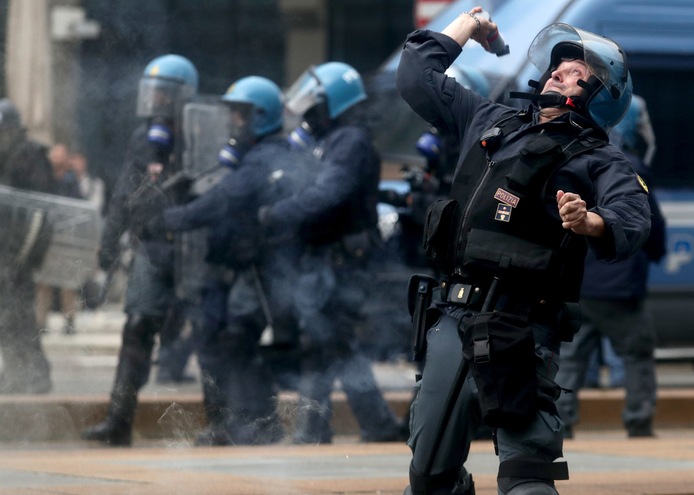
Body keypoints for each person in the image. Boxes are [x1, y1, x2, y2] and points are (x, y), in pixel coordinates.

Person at [396, 9, 651, 494]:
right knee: (428, 477)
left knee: (526, 476)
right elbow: (417, 74)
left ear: (597, 97)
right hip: (450, 318)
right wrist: (469, 26)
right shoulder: (491, 119)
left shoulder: (599, 156)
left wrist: (589, 221)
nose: (559, 71)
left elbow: (634, 219)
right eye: (559, 65)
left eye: (578, 72)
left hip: (522, 326)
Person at [156, 75, 304, 445]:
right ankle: (227, 425)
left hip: (258, 275)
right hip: (230, 273)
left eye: (240, 115)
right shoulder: (254, 157)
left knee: (237, 346)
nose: (233, 123)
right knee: (214, 345)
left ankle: (258, 425)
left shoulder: (265, 159)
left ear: (262, 117)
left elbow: (221, 201)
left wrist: (165, 219)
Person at [266, 61, 406, 444]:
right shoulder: (330, 139)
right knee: (329, 341)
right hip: (324, 257)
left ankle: (330, 427)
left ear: (335, 104)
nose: (309, 113)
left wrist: (276, 213)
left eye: (316, 105)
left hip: (341, 259)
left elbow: (328, 193)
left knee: (330, 339)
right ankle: (341, 426)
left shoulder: (350, 141)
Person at [82, 54, 198, 445]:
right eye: (154, 92)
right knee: (136, 329)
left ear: (183, 95)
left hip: (193, 248)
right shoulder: (142, 137)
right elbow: (122, 193)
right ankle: (118, 421)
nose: (158, 101)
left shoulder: (202, 134)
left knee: (211, 334)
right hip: (152, 248)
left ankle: (224, 426)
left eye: (165, 93)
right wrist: (109, 239)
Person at [555, 94, 667, 439]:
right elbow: (652, 228)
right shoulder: (630, 167)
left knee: (572, 356)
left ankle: (560, 422)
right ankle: (638, 420)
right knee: (637, 352)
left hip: (579, 282)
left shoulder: (573, 157)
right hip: (620, 287)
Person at [0, 98, 57, 394]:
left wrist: (27, 255)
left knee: (20, 316)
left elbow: (41, 211)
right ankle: (15, 372)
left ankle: (36, 374)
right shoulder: (5, 156)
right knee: (6, 318)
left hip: (21, 252)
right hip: (4, 251)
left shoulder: (30, 156)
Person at [35, 144, 83, 335]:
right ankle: (40, 323)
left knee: (67, 284)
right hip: (47, 237)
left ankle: (69, 321)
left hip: (66, 237)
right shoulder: (44, 177)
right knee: (43, 284)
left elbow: (77, 204)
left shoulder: (71, 180)